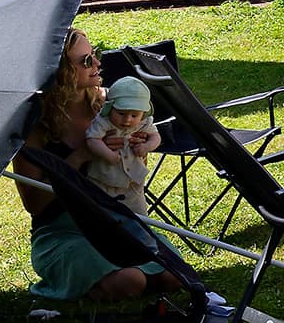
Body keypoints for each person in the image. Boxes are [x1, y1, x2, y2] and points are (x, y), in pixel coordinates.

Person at [15, 29, 180, 304]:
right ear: (61, 71)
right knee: (132, 282)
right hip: (63, 230)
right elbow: (36, 204)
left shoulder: (110, 105)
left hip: (117, 221)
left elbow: (129, 174)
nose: (97, 64)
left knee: (175, 276)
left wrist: (136, 146)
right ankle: (82, 281)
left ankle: (114, 272)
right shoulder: (36, 125)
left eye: (95, 55)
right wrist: (79, 157)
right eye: (86, 61)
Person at [82, 75, 162, 214]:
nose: (127, 120)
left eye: (134, 115)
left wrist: (146, 147)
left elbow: (156, 137)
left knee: (140, 216)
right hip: (103, 181)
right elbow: (92, 139)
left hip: (133, 185)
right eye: (121, 113)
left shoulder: (144, 122)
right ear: (110, 107)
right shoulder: (103, 121)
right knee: (102, 215)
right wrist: (108, 155)